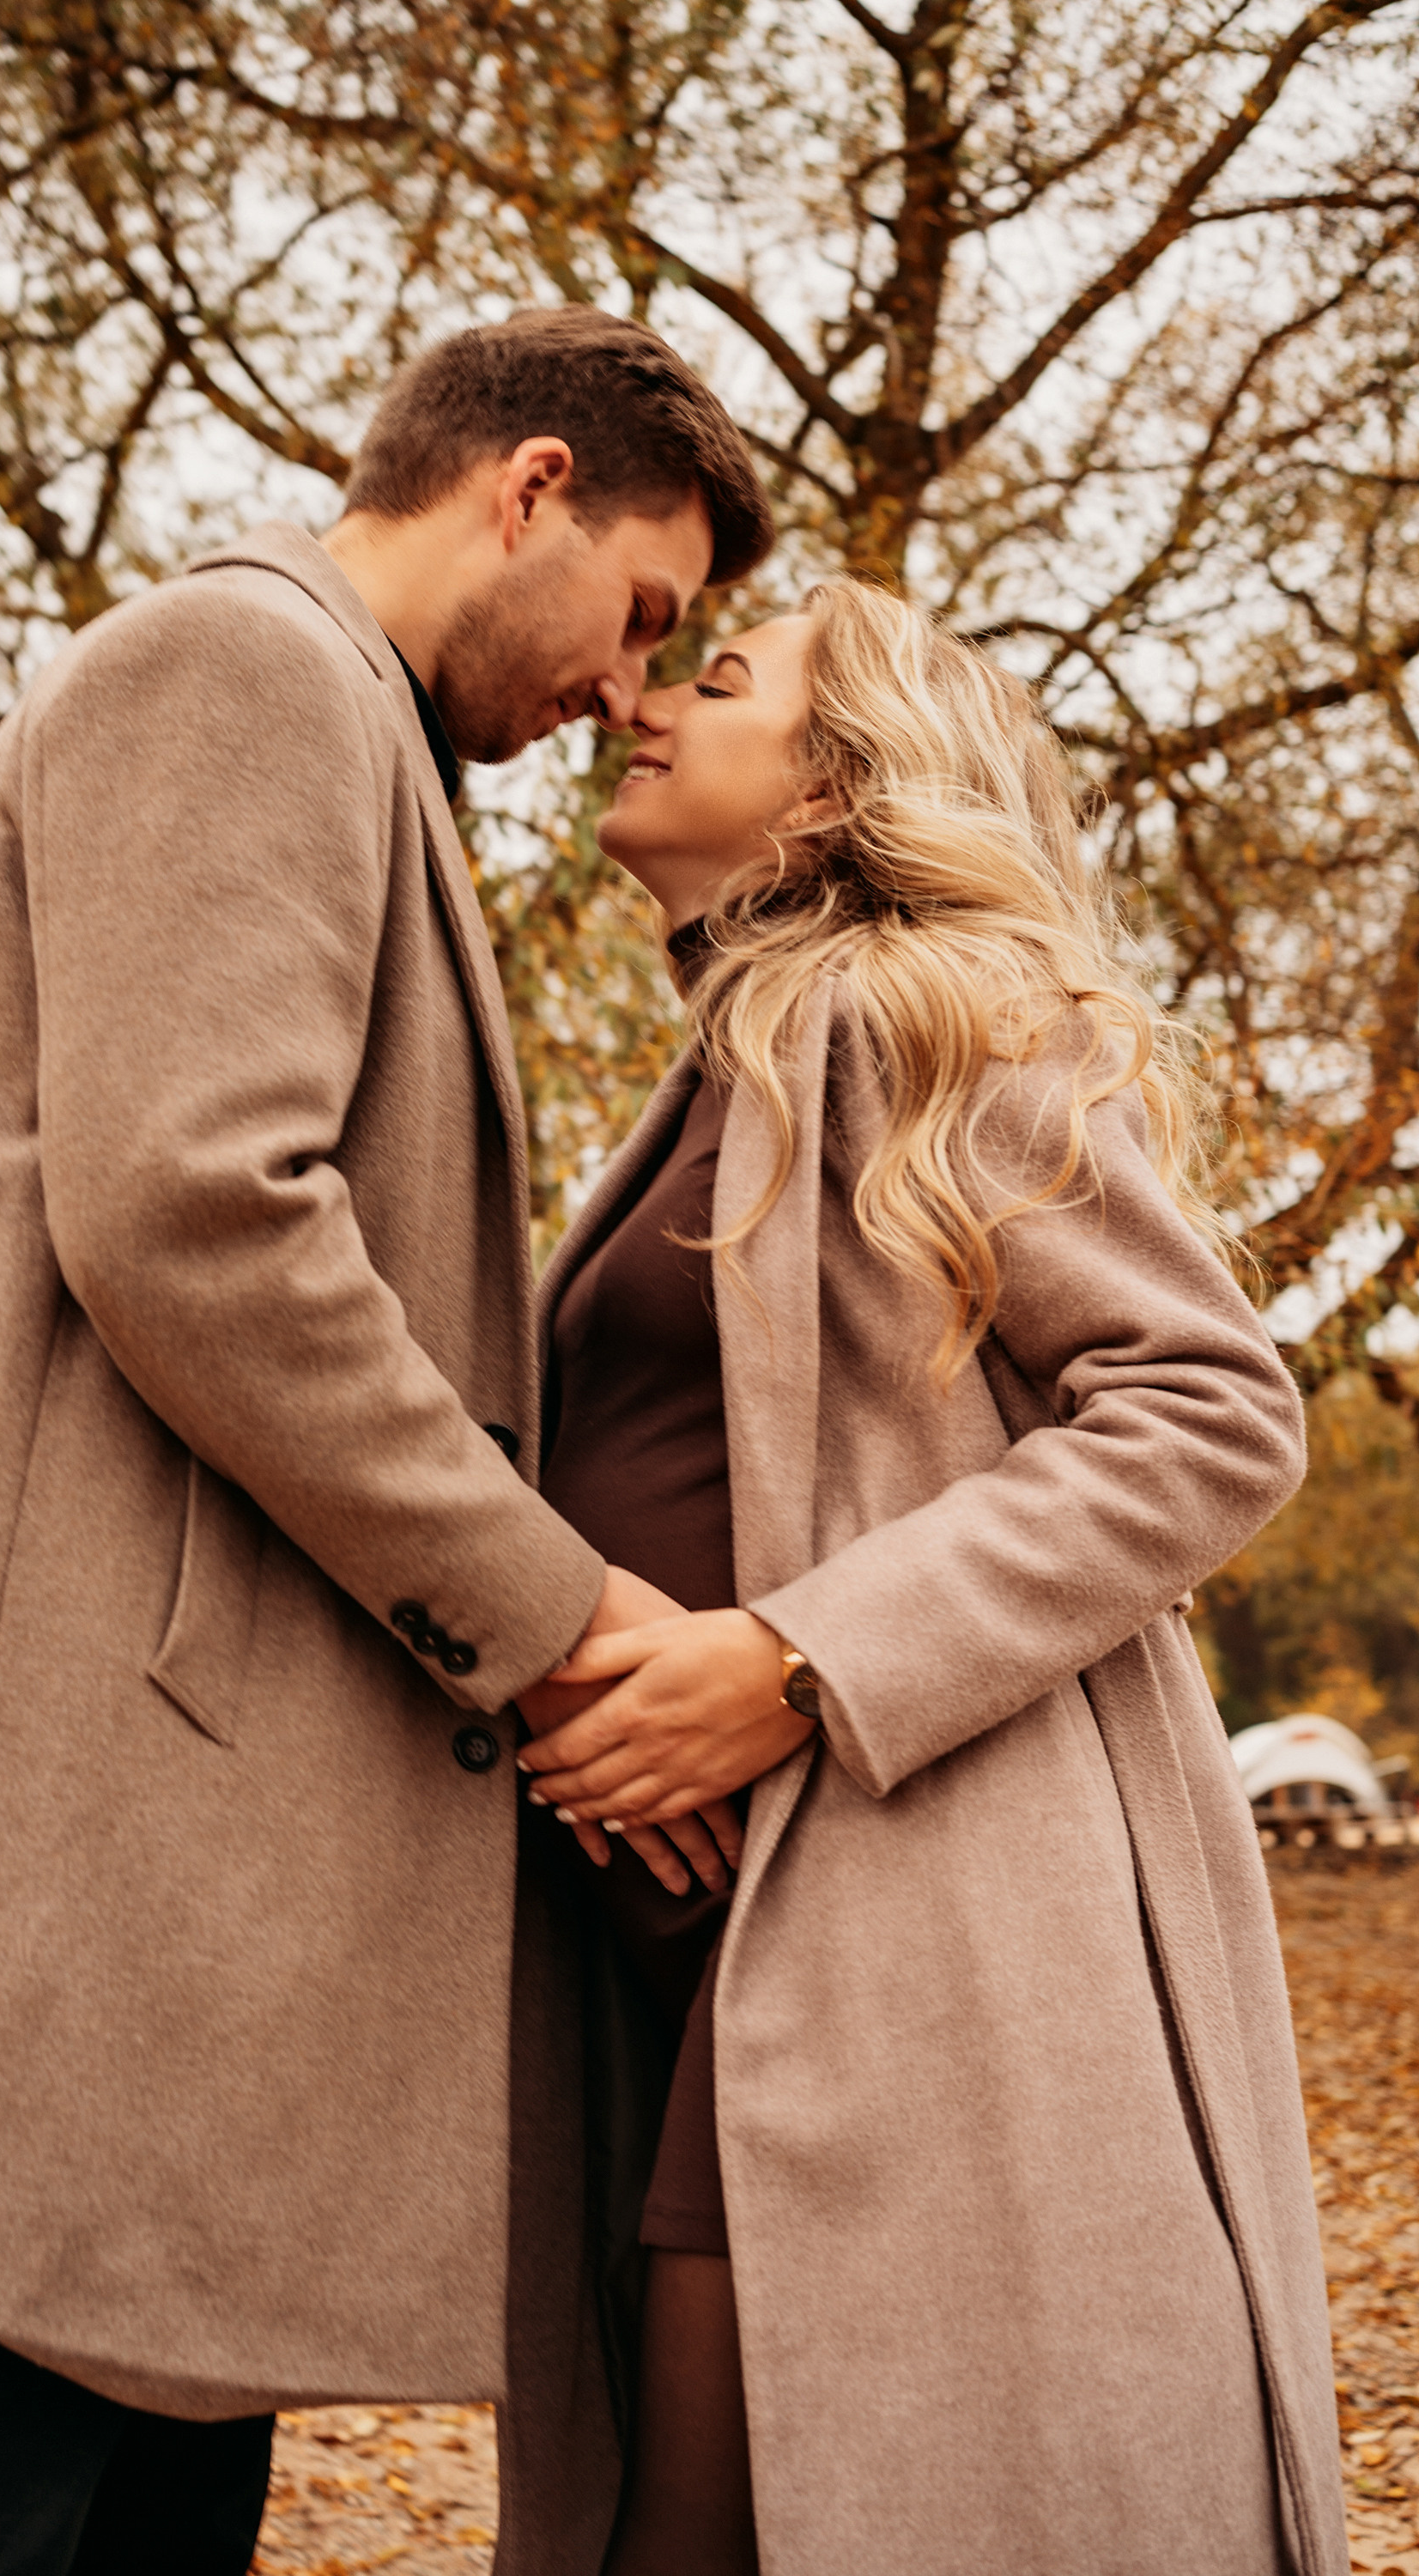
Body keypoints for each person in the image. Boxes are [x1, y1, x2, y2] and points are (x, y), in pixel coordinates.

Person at [0, 307, 773, 2576]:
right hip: (47, 1889)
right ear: (531, 487)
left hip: (140, 1900)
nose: (627, 687)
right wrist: (556, 1617)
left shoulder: (342, 721)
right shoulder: (247, 669)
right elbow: (199, 1216)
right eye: (640, 611)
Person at [516, 582, 1349, 2576]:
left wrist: (798, 1661)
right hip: (701, 1943)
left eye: (719, 681)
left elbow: (1210, 1410)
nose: (644, 703)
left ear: (830, 791)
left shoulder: (921, 1010)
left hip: (900, 1918)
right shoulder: (723, 1066)